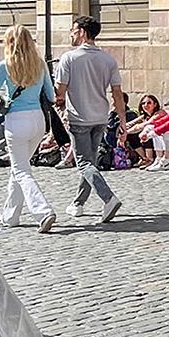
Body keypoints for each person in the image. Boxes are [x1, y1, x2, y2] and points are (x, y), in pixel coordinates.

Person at [0, 25, 57, 233]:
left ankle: (43, 211)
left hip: (16, 122)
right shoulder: (40, 64)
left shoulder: (5, 65)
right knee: (19, 168)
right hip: (38, 121)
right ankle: (10, 216)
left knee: (21, 170)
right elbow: (51, 95)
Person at [54, 15, 125, 223]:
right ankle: (79, 203)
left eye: (74, 31)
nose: (71, 34)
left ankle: (108, 198)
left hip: (79, 117)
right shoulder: (108, 60)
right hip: (100, 117)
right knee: (90, 163)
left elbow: (59, 92)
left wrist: (55, 98)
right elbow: (117, 93)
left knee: (84, 163)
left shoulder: (69, 58)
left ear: (83, 33)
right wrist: (122, 120)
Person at [125, 94, 168, 168]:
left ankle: (150, 159)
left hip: (165, 137)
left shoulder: (159, 113)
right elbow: (131, 124)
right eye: (143, 103)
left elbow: (145, 124)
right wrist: (123, 130)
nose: (145, 105)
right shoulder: (145, 116)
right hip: (157, 138)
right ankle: (144, 158)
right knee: (131, 136)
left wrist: (126, 131)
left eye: (149, 103)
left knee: (146, 132)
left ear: (155, 104)